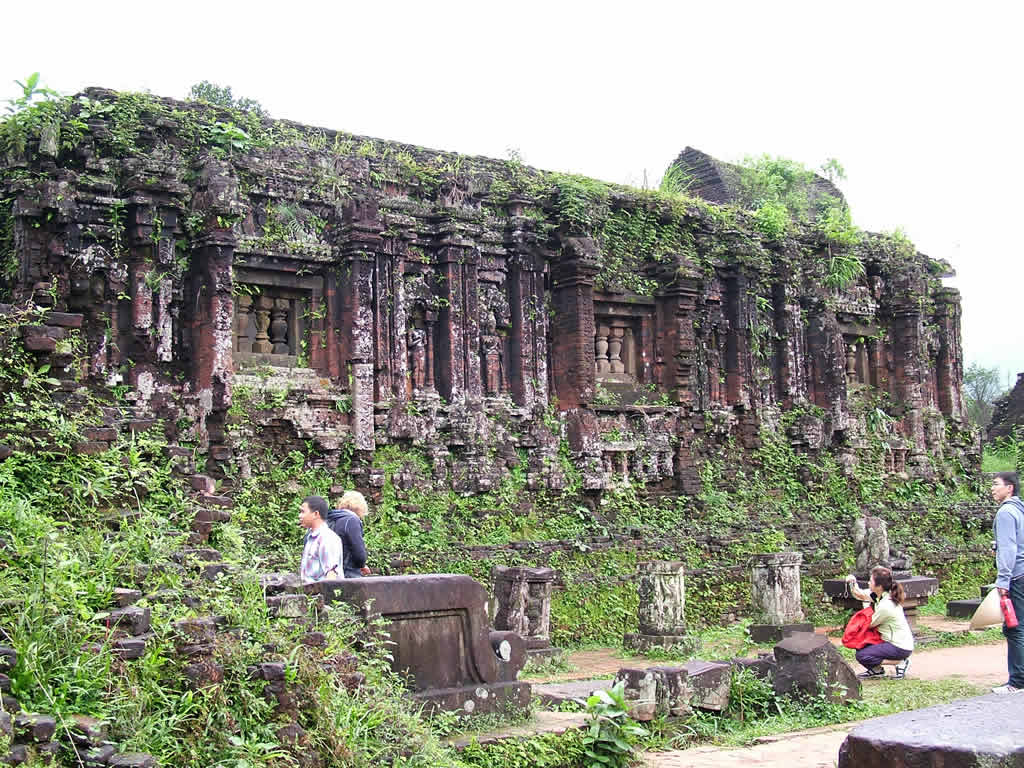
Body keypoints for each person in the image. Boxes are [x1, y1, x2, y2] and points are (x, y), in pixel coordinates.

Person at [991, 471, 1024, 694]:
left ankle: (1018, 681)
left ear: (1009, 488)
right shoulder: (1019, 509)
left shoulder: (1005, 512)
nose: (992, 489)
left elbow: (1010, 549)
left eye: (996, 485)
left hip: (1015, 576)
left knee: (1014, 627)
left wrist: (1003, 580)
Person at [853, 565, 914, 679]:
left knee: (862, 655)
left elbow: (870, 624)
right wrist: (852, 583)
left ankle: (900, 662)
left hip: (899, 646)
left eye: (871, 581)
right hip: (891, 641)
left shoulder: (886, 605)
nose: (868, 583)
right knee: (861, 645)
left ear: (879, 586)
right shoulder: (881, 596)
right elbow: (861, 595)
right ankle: (876, 670)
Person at [298, 495, 344, 584]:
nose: (300, 516)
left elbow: (332, 574)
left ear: (316, 514)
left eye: (303, 512)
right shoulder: (311, 537)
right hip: (310, 594)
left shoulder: (327, 538)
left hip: (321, 595)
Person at [327, 490, 371, 578]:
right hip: (348, 573)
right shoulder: (351, 520)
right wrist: (361, 565)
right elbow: (359, 553)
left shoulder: (330, 519)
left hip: (330, 571)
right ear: (361, 507)